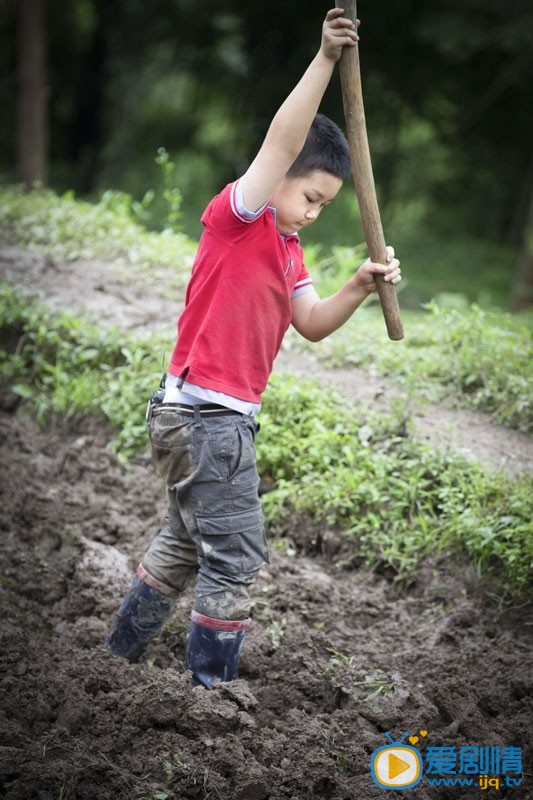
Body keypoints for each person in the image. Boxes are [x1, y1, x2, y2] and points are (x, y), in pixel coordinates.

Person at [103, 8, 401, 688]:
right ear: (279, 178)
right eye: (309, 195)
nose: (311, 212)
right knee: (233, 555)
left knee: (185, 542)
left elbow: (312, 323)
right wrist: (324, 60)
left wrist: (358, 283)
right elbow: (280, 140)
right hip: (208, 418)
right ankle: (211, 691)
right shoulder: (237, 218)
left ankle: (116, 656)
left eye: (326, 204)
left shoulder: (289, 252)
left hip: (204, 418)